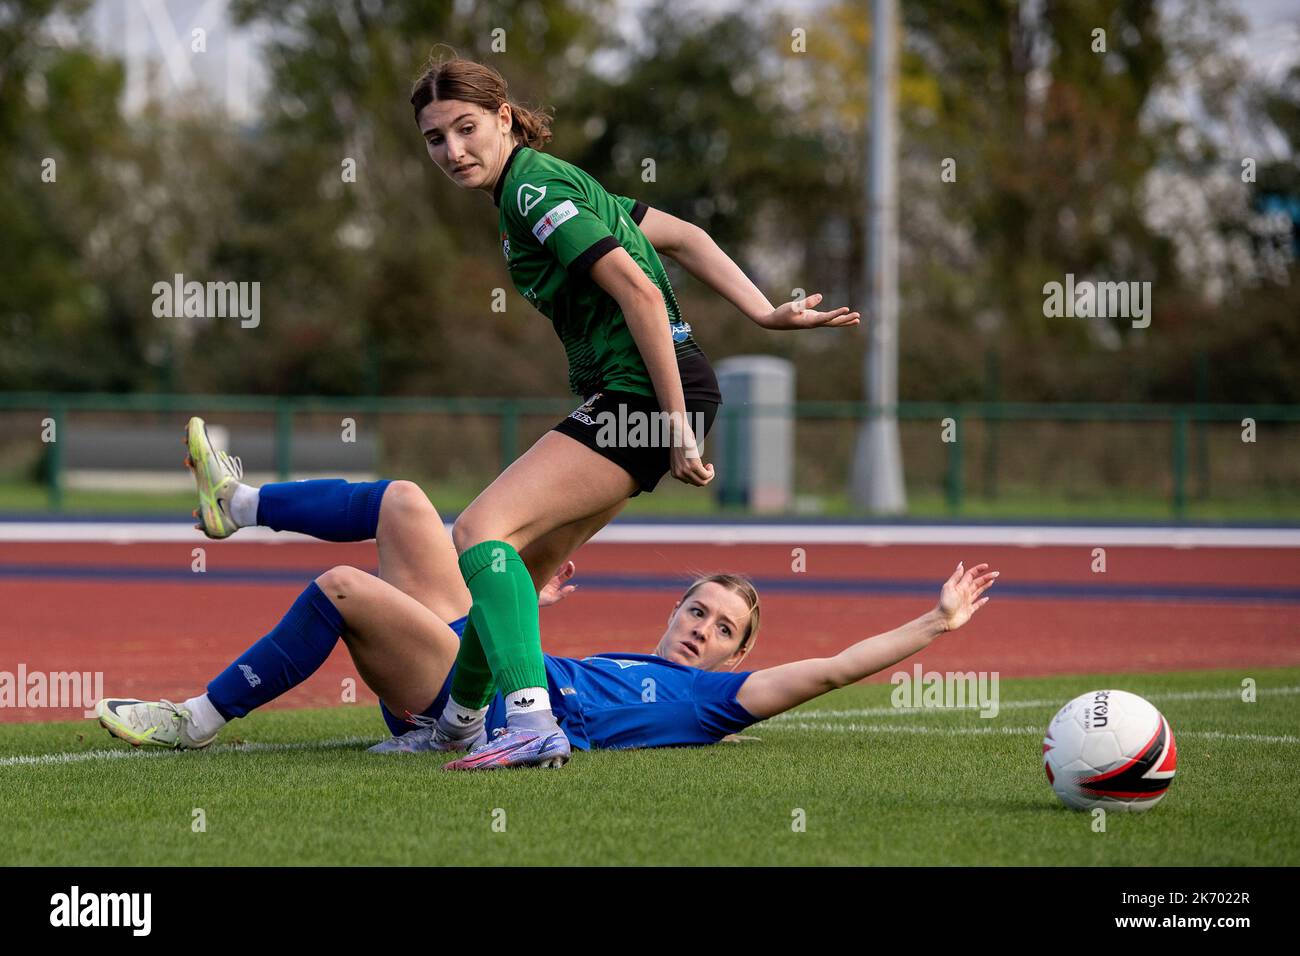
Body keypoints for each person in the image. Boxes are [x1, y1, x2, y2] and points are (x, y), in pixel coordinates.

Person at [403, 53, 861, 769]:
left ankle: (528, 722)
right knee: (518, 570)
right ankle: (458, 724)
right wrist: (764, 313)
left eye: (466, 128)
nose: (453, 150)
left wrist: (676, 430)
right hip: (658, 390)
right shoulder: (554, 183)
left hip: (645, 392)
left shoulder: (530, 192)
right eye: (435, 138)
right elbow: (683, 237)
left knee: (478, 530)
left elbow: (642, 295)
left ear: (503, 118)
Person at [95, 420, 998, 768]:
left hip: (473, 711)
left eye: (723, 628)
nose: (702, 629)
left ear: (737, 656)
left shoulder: (718, 702)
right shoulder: (624, 658)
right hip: (466, 671)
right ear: (671, 612)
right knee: (406, 501)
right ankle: (236, 504)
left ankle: (194, 721)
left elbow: (837, 668)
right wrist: (527, 596)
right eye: (697, 610)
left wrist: (936, 621)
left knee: (339, 587)